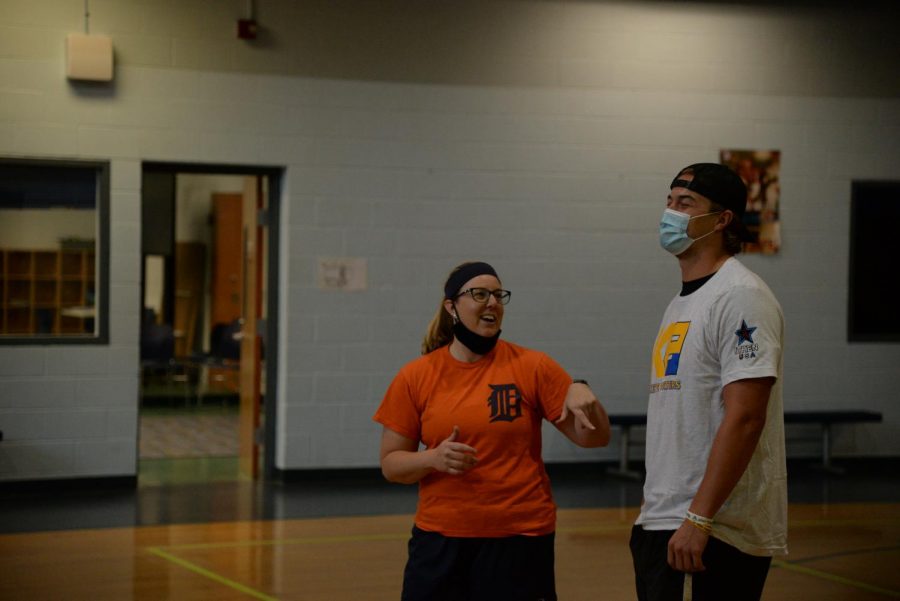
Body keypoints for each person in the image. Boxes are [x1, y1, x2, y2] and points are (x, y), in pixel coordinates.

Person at [374, 261, 610, 601]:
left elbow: (595, 437)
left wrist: (583, 391)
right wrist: (433, 458)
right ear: (451, 306)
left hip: (520, 536)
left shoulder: (533, 366)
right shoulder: (416, 375)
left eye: (499, 295)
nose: (493, 303)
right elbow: (391, 465)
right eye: (480, 294)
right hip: (441, 538)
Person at [630, 163, 787, 601]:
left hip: (713, 531)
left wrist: (699, 518)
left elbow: (746, 417)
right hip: (664, 520)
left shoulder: (741, 295)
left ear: (722, 219)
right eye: (669, 201)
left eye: (685, 203)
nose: (670, 213)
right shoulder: (680, 303)